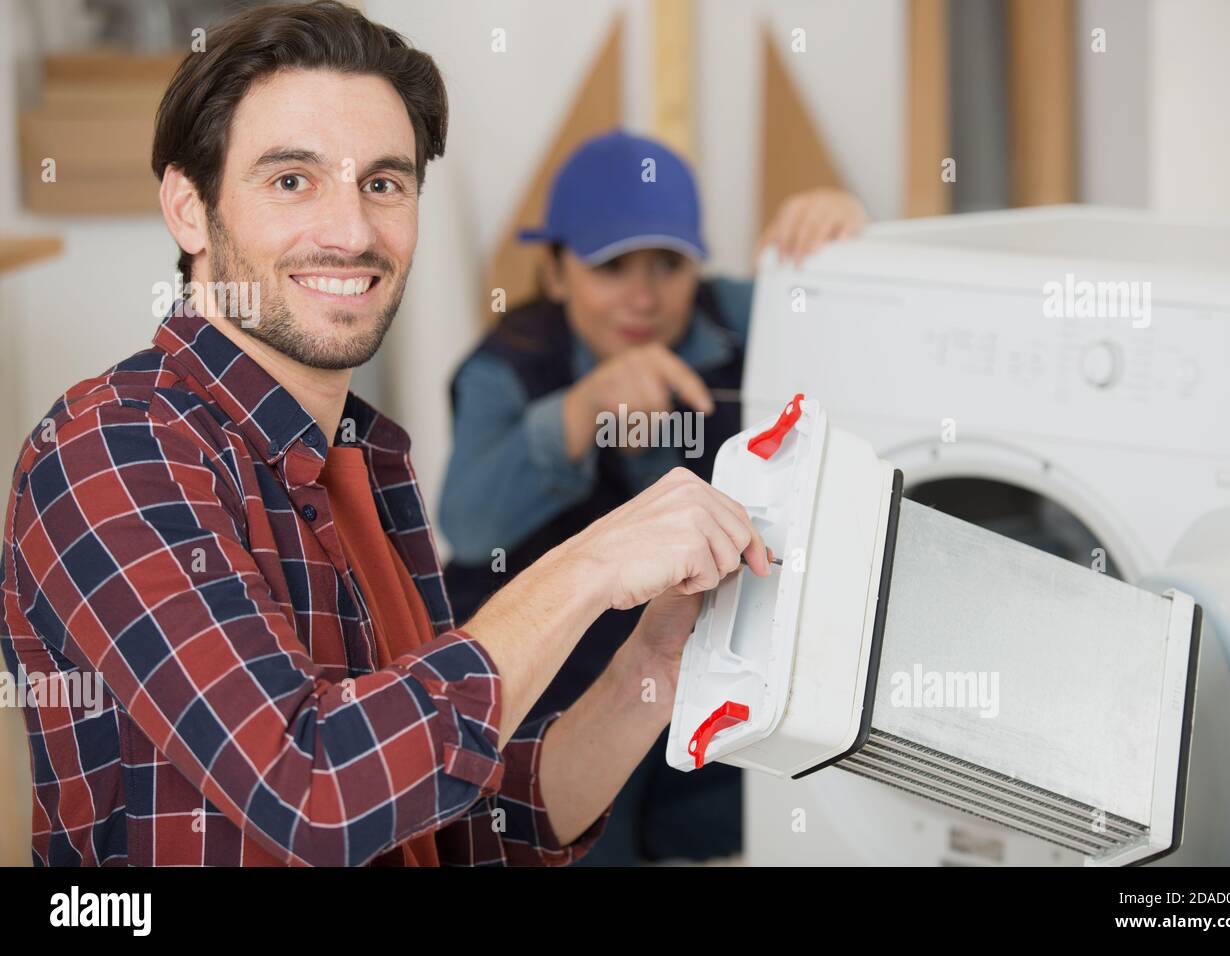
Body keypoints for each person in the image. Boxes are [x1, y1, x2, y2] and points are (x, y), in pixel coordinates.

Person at [0, 0, 774, 867]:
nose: (353, 232)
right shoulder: (112, 450)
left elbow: (469, 823)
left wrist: (660, 662)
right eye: (291, 180)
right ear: (188, 208)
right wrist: (591, 566)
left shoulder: (368, 464)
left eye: (383, 182)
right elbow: (316, 794)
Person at [439, 130, 867, 863]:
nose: (642, 295)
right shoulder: (505, 366)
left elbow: (864, 318)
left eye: (667, 265)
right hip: (556, 694)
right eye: (611, 267)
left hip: (707, 667)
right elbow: (468, 522)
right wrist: (580, 412)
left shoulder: (740, 314)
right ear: (556, 272)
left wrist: (847, 239)